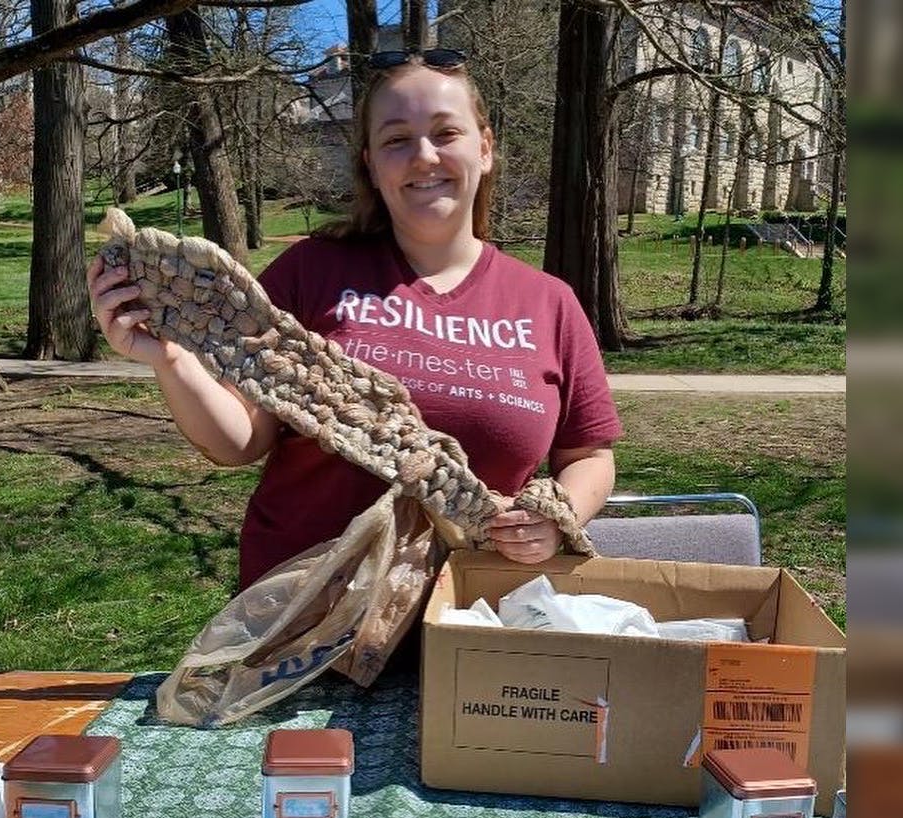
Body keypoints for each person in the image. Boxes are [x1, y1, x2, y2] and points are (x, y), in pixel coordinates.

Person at [88, 49, 622, 589]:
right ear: (370, 162)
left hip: (472, 614)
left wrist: (556, 513)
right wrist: (170, 359)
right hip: (303, 623)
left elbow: (591, 457)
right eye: (396, 139)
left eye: (445, 133)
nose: (423, 156)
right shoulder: (311, 271)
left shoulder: (549, 303)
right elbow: (238, 442)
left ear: (484, 148)